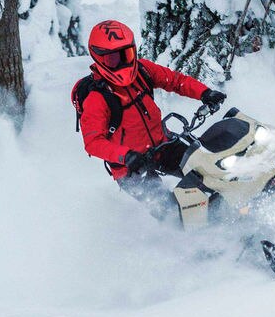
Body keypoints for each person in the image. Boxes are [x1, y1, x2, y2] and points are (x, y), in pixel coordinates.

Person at [74, 19, 226, 222]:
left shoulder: (142, 71)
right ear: (99, 59)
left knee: (209, 175)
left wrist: (205, 93)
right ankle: (196, 247)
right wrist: (125, 156)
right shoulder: (97, 98)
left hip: (163, 145)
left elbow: (174, 80)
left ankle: (231, 216)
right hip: (132, 169)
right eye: (112, 59)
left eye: (125, 54)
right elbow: (93, 142)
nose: (121, 62)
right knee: (172, 213)